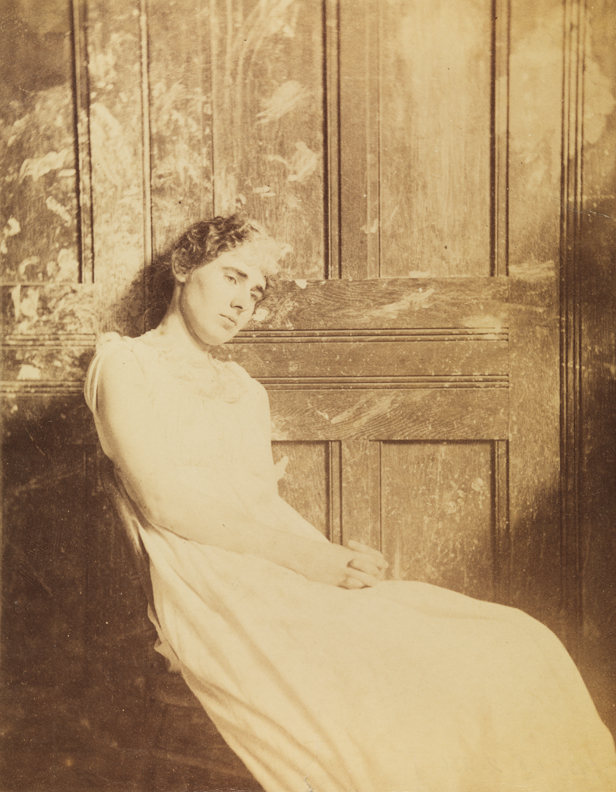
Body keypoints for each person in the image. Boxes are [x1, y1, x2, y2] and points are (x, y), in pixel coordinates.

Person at [85, 215, 616, 792]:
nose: (242, 303)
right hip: (206, 584)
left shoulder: (244, 389)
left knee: (519, 643)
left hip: (276, 567)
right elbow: (163, 502)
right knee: (423, 681)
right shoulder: (125, 365)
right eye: (231, 277)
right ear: (185, 269)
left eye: (255, 291)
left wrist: (334, 559)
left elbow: (259, 508)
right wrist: (308, 561)